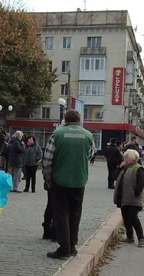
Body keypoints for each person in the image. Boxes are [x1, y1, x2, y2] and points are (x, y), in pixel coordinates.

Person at [43, 110, 94, 259]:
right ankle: (72, 246)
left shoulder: (57, 134)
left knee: (61, 214)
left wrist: (48, 179)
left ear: (65, 120)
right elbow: (90, 154)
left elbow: (47, 160)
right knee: (75, 214)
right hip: (79, 181)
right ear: (79, 120)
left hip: (60, 181)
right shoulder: (88, 135)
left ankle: (64, 249)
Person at [113, 149, 144, 247]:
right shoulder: (124, 167)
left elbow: (140, 183)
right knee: (125, 218)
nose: (125, 159)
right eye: (124, 157)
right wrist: (119, 167)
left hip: (133, 199)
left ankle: (141, 237)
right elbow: (114, 177)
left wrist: (135, 193)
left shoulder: (138, 168)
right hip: (123, 198)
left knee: (133, 218)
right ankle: (129, 236)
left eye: (127, 157)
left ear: (133, 158)